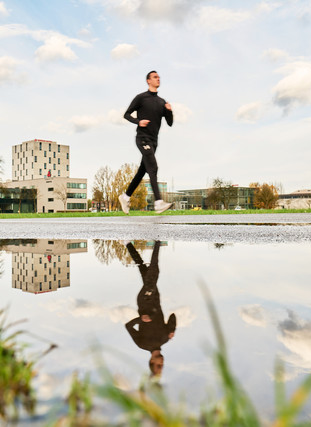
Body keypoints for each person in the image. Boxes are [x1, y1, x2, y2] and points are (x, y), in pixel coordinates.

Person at [119, 71, 174, 214]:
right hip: (142, 138)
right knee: (153, 167)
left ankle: (125, 197)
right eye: (155, 77)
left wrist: (169, 111)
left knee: (142, 171)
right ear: (148, 81)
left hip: (154, 141)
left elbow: (170, 123)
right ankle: (158, 202)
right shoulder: (141, 98)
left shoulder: (162, 102)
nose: (158, 79)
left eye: (159, 77)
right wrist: (138, 122)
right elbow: (126, 114)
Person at [124, 241, 176, 377]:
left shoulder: (142, 344)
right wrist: (172, 329)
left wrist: (140, 319)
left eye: (159, 365)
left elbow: (128, 326)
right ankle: (127, 243)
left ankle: (157, 241)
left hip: (145, 301)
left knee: (153, 273)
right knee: (143, 269)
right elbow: (173, 316)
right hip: (155, 298)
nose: (162, 363)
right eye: (162, 366)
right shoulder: (165, 338)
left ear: (151, 361)